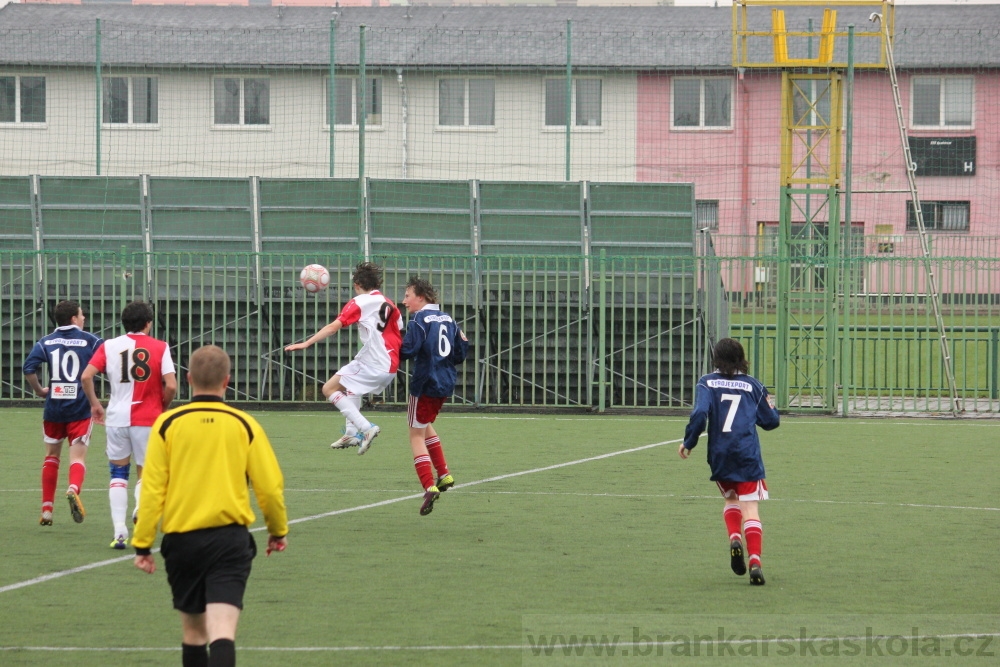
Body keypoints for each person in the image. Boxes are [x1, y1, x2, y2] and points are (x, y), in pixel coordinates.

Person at [133, 345, 288, 667]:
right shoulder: (244, 423)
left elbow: (151, 489)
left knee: (193, 633)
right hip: (229, 541)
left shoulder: (167, 423)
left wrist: (143, 544)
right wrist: (277, 530)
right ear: (227, 381)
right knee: (222, 630)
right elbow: (269, 488)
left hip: (181, 542)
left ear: (188, 379)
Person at [679, 337, 779, 586]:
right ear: (741, 359)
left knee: (730, 498)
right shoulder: (753, 385)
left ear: (716, 358)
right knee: (751, 508)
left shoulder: (707, 382)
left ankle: (735, 536)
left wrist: (689, 441)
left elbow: (700, 413)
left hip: (719, 454)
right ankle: (755, 560)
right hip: (746, 453)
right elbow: (771, 421)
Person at [81, 301, 177, 550]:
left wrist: (95, 404)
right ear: (148, 323)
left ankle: (119, 532)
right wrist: (163, 406)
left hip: (116, 418)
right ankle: (140, 508)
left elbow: (86, 376)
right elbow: (172, 385)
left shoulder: (109, 346)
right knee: (146, 471)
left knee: (118, 475)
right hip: (149, 419)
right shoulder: (160, 347)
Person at [284, 261, 403, 455]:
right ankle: (351, 433)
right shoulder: (390, 304)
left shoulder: (359, 302)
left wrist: (306, 343)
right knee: (350, 386)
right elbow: (399, 331)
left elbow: (333, 327)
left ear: (357, 285)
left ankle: (366, 428)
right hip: (389, 366)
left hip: (374, 362)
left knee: (329, 388)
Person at [23, 300, 103, 526]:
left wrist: (39, 390)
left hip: (53, 408)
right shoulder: (91, 340)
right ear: (74, 319)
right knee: (77, 457)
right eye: (81, 314)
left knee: (51, 456)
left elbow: (28, 368)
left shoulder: (46, 341)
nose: (84, 318)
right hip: (79, 408)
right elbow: (107, 362)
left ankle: (47, 509)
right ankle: (73, 489)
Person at [399, 276, 469, 516]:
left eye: (407, 295)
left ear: (421, 296)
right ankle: (444, 473)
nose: (404, 301)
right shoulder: (449, 319)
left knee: (415, 434)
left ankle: (429, 485)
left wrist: (388, 346)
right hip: (445, 382)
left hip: (424, 382)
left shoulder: (419, 319)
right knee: (425, 424)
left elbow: (408, 350)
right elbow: (460, 353)